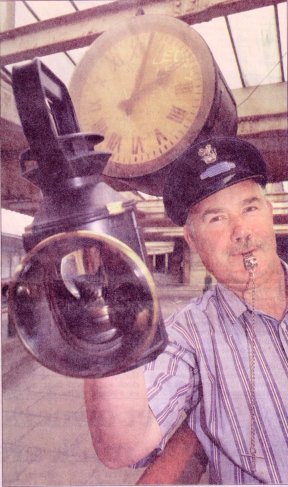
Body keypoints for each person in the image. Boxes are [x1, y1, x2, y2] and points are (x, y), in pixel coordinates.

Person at [84, 136, 288, 484]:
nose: (241, 232)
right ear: (192, 241)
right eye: (216, 219)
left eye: (250, 208)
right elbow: (122, 445)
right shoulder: (189, 334)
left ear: (270, 213)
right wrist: (107, 325)